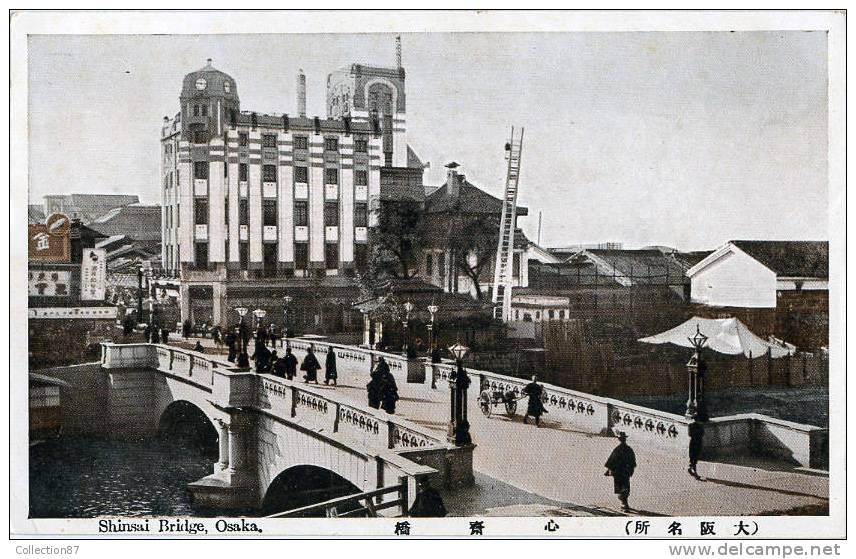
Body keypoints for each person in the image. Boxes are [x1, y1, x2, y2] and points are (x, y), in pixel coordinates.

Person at [604, 431, 637, 512]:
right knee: (625, 486)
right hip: (626, 472)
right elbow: (633, 461)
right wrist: (631, 470)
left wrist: (610, 470)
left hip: (618, 472)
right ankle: (625, 503)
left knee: (620, 487)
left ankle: (624, 504)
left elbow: (612, 461)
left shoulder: (617, 449)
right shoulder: (629, 449)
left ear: (619, 439)